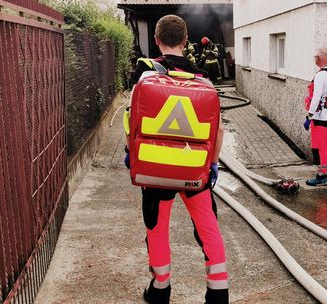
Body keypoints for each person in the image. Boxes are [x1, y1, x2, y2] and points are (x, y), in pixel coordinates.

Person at [127, 15, 228, 303]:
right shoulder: (204, 79)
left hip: (155, 169)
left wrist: (131, 156)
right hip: (194, 169)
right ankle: (218, 292)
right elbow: (217, 130)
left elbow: (130, 124)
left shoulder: (145, 75)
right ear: (186, 41)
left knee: (157, 229)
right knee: (208, 228)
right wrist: (212, 165)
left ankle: (160, 290)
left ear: (157, 40)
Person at [304, 47, 327, 186]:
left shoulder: (321, 75)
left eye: (314, 57)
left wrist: (309, 117)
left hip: (320, 117)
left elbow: (316, 97)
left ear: (318, 58)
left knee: (320, 147)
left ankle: (322, 176)